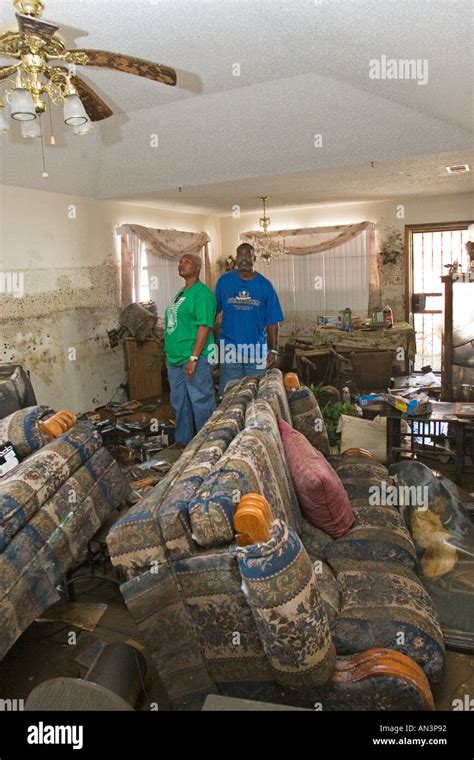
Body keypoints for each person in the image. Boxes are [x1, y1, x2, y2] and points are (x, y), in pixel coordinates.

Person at [215, 242, 284, 395]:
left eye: (248, 254)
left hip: (257, 351)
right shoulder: (224, 282)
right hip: (229, 350)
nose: (244, 258)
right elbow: (212, 313)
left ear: (254, 259)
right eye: (240, 254)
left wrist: (273, 350)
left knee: (256, 395)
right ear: (236, 258)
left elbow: (273, 322)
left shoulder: (265, 286)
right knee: (230, 395)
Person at [164, 253, 216, 445]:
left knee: (200, 401)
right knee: (180, 403)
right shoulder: (182, 293)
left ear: (197, 268)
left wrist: (194, 358)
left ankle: (207, 446)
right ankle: (184, 443)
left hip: (195, 357)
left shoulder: (202, 293)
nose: (181, 264)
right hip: (175, 359)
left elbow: (204, 326)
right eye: (180, 261)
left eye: (187, 262)